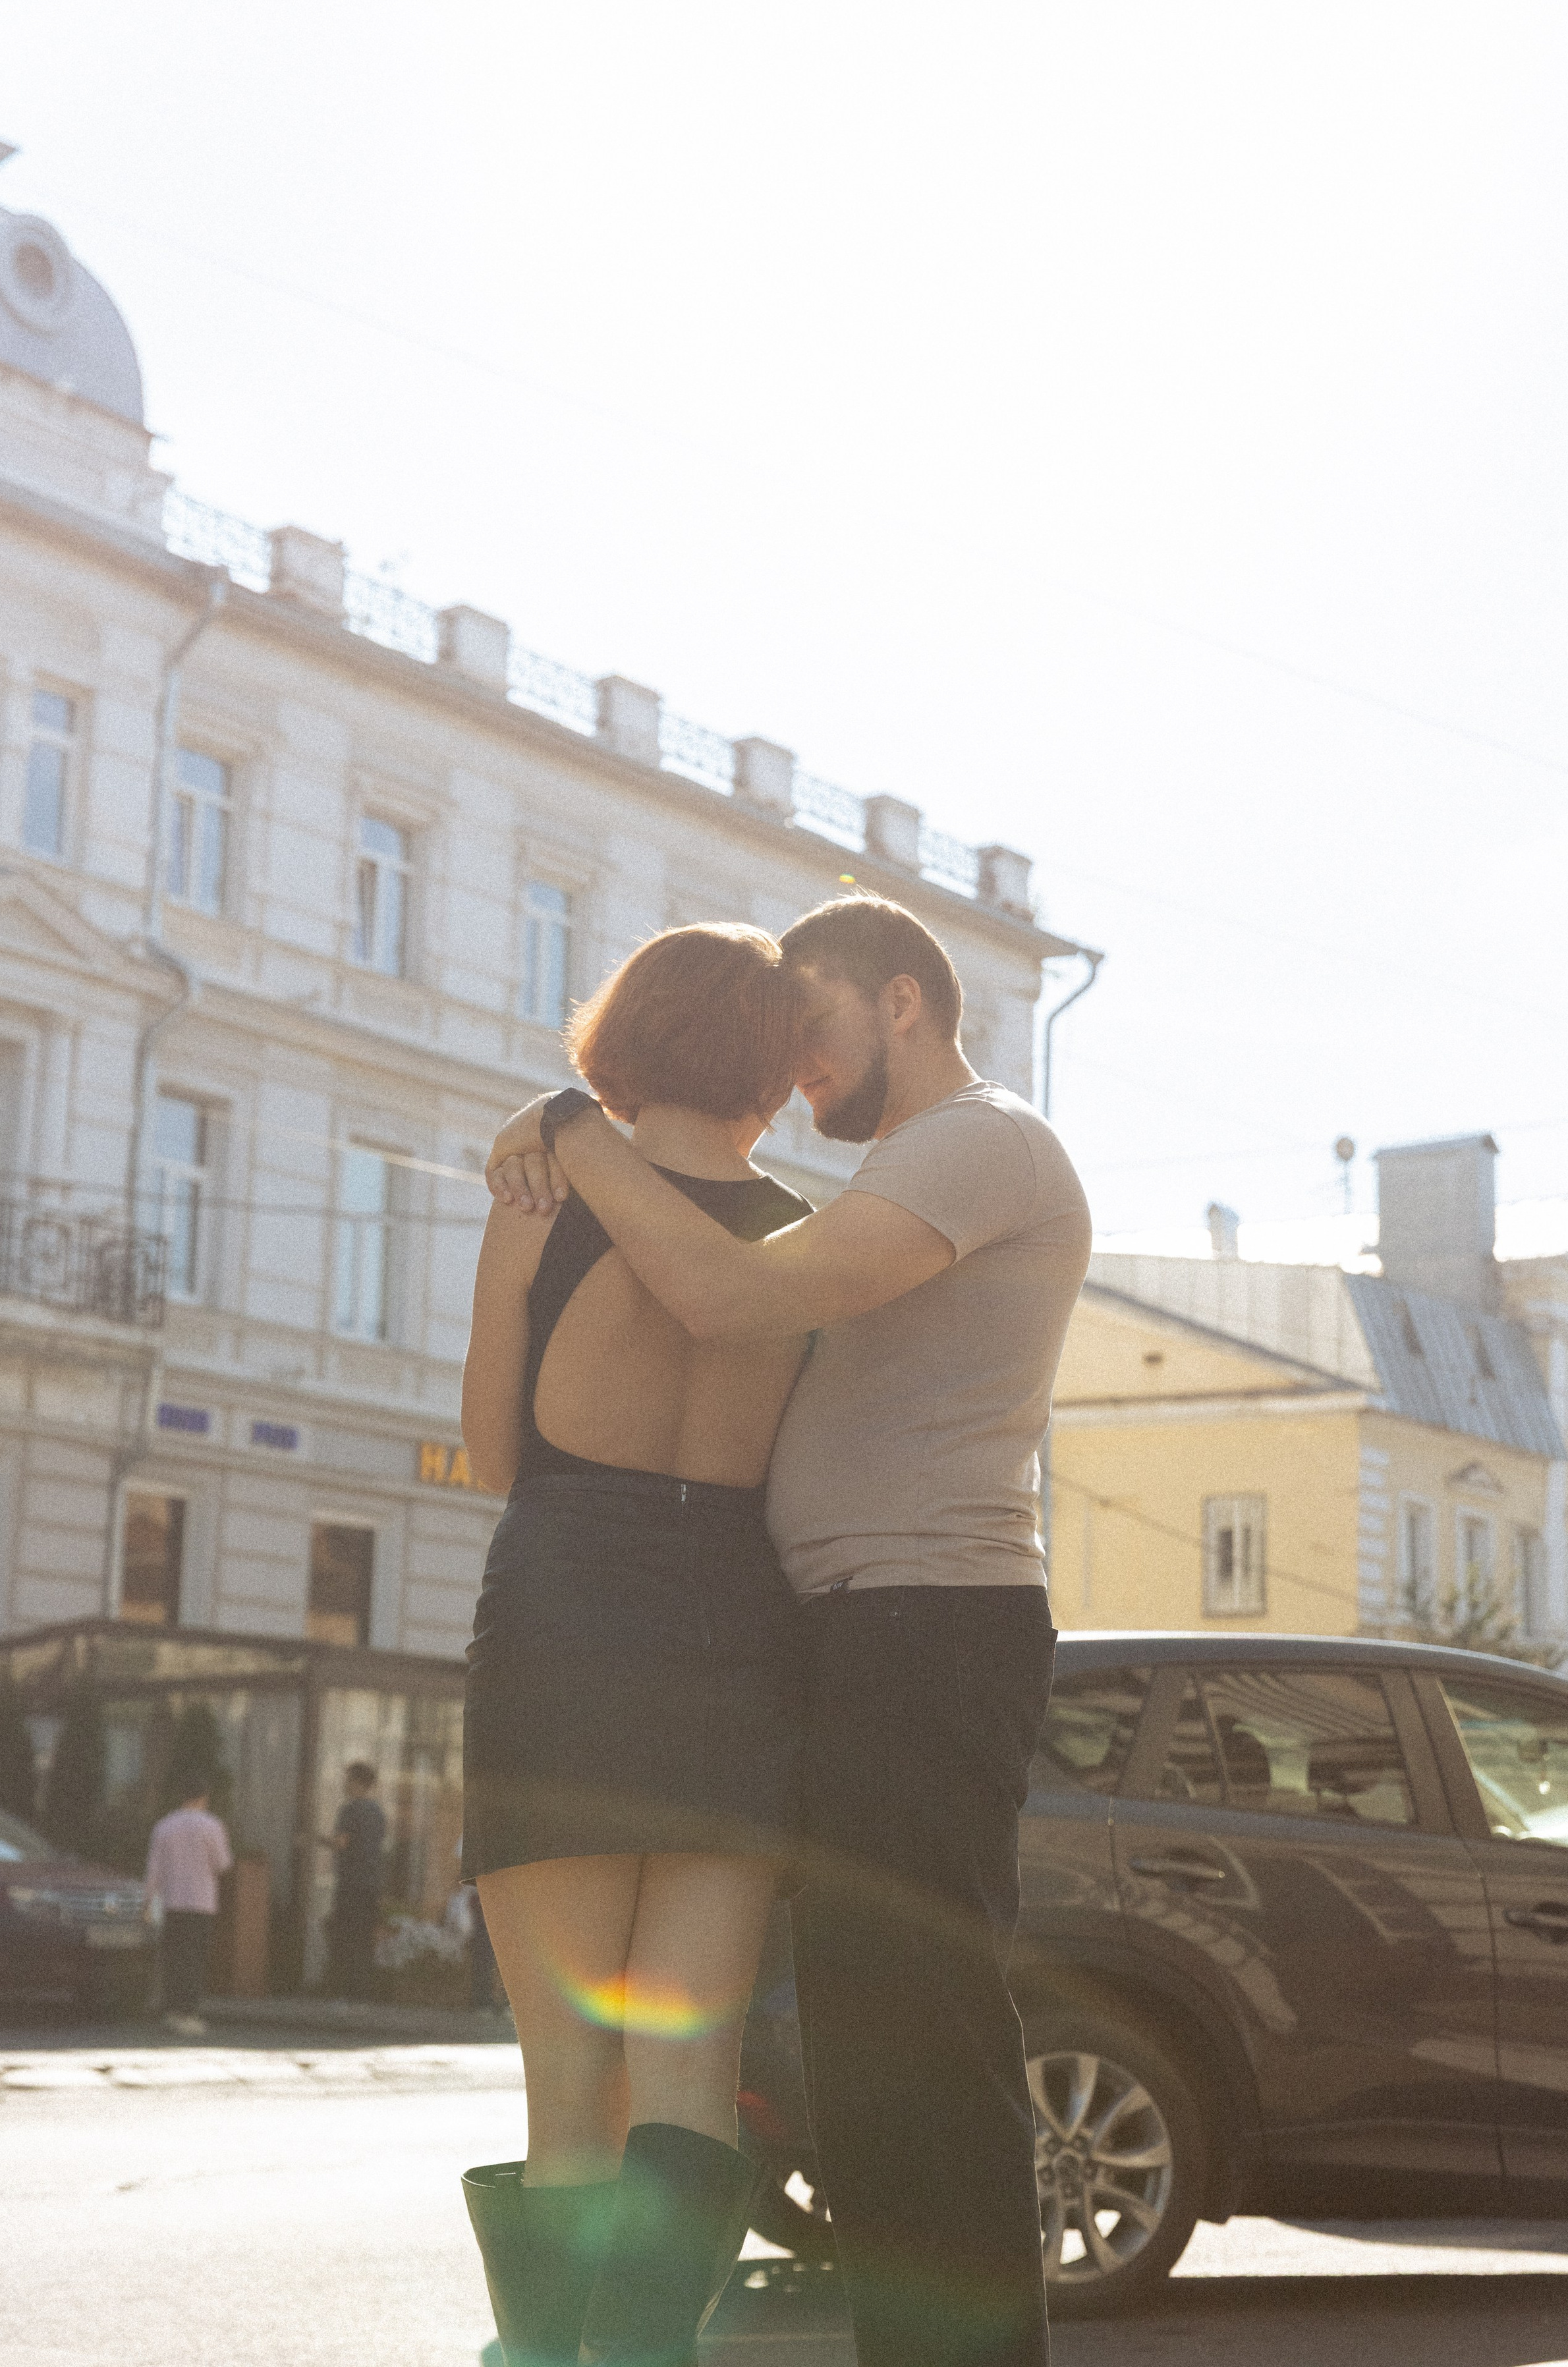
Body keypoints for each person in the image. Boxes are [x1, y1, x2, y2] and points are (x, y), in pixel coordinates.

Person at [486, 893, 1092, 2367]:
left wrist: (573, 1137)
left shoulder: (973, 1142)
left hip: (909, 1625)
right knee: (844, 2052)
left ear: (897, 999)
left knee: (901, 2041)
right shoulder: (878, 1182)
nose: (797, 1066)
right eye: (774, 1044)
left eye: (811, 1028)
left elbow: (714, 1299)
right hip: (793, 1634)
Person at [459, 923, 813, 2367]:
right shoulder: (804, 1234)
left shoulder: (542, 1198)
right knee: (690, 2067)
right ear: (775, 1065)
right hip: (737, 1637)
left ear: (624, 1035)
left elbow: (494, 1452)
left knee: (566, 2083)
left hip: (561, 1628)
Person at [144, 1782, 233, 2038]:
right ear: (205, 1797)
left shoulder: (164, 1826)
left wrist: (147, 1901)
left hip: (173, 1901)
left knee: (175, 1957)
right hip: (202, 1901)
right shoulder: (212, 1826)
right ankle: (189, 2012)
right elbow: (223, 1864)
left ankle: (172, 2010)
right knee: (195, 1957)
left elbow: (154, 1867)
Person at [321, 1760, 386, 2002]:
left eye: (348, 1780)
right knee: (365, 1937)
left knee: (345, 1937)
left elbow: (341, 1843)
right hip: (372, 1882)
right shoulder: (378, 1812)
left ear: (358, 1783)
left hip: (351, 1883)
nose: (344, 1784)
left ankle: (343, 1993)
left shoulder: (350, 1810)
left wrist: (315, 1840)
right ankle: (362, 1994)